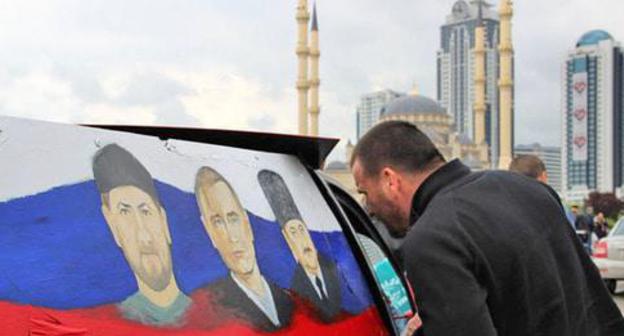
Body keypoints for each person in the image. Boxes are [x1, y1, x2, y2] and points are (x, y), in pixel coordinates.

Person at [350, 120, 624, 336]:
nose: (368, 207)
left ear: (390, 180)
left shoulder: (431, 240)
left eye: (365, 192)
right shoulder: (529, 189)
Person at [92, 144, 191, 327]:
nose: (143, 235)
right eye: (125, 213)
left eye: (146, 211)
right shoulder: (113, 323)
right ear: (114, 229)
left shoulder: (210, 314)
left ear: (163, 221)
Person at [194, 166, 293, 332]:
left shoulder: (293, 301)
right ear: (210, 233)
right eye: (218, 222)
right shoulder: (208, 310)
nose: (232, 237)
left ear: (247, 224)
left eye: (233, 219)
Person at [257, 169, 342, 323]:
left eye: (302, 230)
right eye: (293, 232)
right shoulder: (292, 286)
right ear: (287, 240)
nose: (302, 239)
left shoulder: (337, 268)